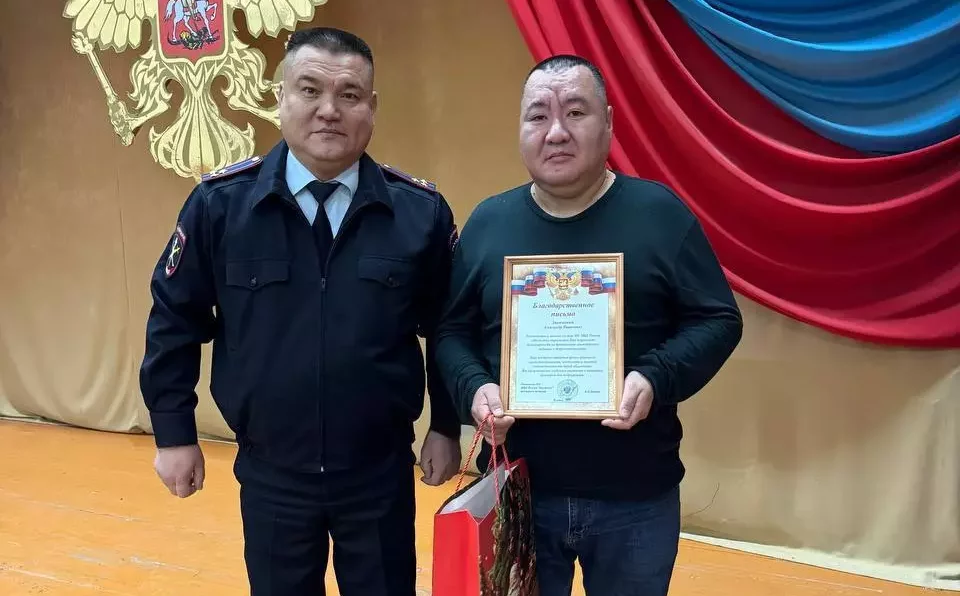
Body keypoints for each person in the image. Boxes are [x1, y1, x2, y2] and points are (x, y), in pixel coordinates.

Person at [139, 26, 463, 596]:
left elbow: (447, 328)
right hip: (272, 474)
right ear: (280, 97)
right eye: (310, 90)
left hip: (379, 473)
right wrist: (173, 432)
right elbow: (174, 318)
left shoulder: (420, 214)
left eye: (349, 95)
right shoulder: (221, 206)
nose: (329, 110)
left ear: (372, 107)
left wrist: (444, 425)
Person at [434, 54, 743, 595]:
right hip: (517, 492)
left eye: (576, 112)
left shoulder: (659, 214)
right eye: (538, 116)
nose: (556, 131)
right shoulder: (489, 223)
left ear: (609, 122)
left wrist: (654, 376)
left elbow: (718, 318)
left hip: (636, 496)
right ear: (520, 128)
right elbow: (451, 332)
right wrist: (474, 388)